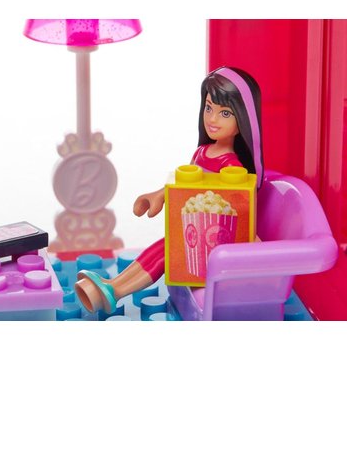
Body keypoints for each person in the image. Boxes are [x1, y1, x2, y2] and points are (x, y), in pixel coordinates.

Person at [74, 66, 264, 313]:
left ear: (242, 120)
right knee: (163, 247)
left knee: (168, 251)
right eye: (208, 108)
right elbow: (188, 188)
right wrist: (159, 195)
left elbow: (237, 206)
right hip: (194, 236)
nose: (212, 119)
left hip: (215, 243)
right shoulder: (202, 152)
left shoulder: (232, 167)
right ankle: (112, 285)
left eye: (224, 113)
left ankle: (117, 290)